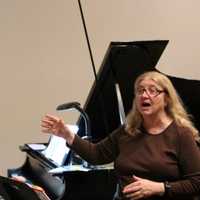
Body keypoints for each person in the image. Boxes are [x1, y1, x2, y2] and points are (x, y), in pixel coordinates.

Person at [41, 71, 200, 200]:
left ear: (166, 99)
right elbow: (97, 155)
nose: (144, 95)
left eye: (152, 90)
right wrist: (67, 134)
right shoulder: (128, 130)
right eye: (140, 90)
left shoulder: (181, 134)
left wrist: (160, 188)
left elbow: (197, 182)